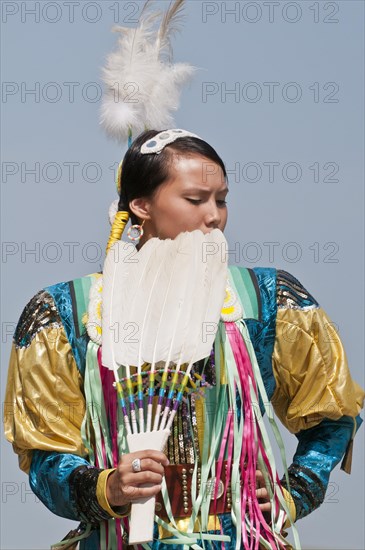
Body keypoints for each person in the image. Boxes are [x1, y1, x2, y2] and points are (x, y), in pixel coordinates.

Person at [4, 129, 364, 550]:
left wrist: (297, 492)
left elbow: (333, 415)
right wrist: (108, 487)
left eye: (222, 199)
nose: (214, 216)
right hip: (118, 540)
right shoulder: (67, 313)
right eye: (195, 200)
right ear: (140, 205)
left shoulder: (267, 301)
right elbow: (46, 457)